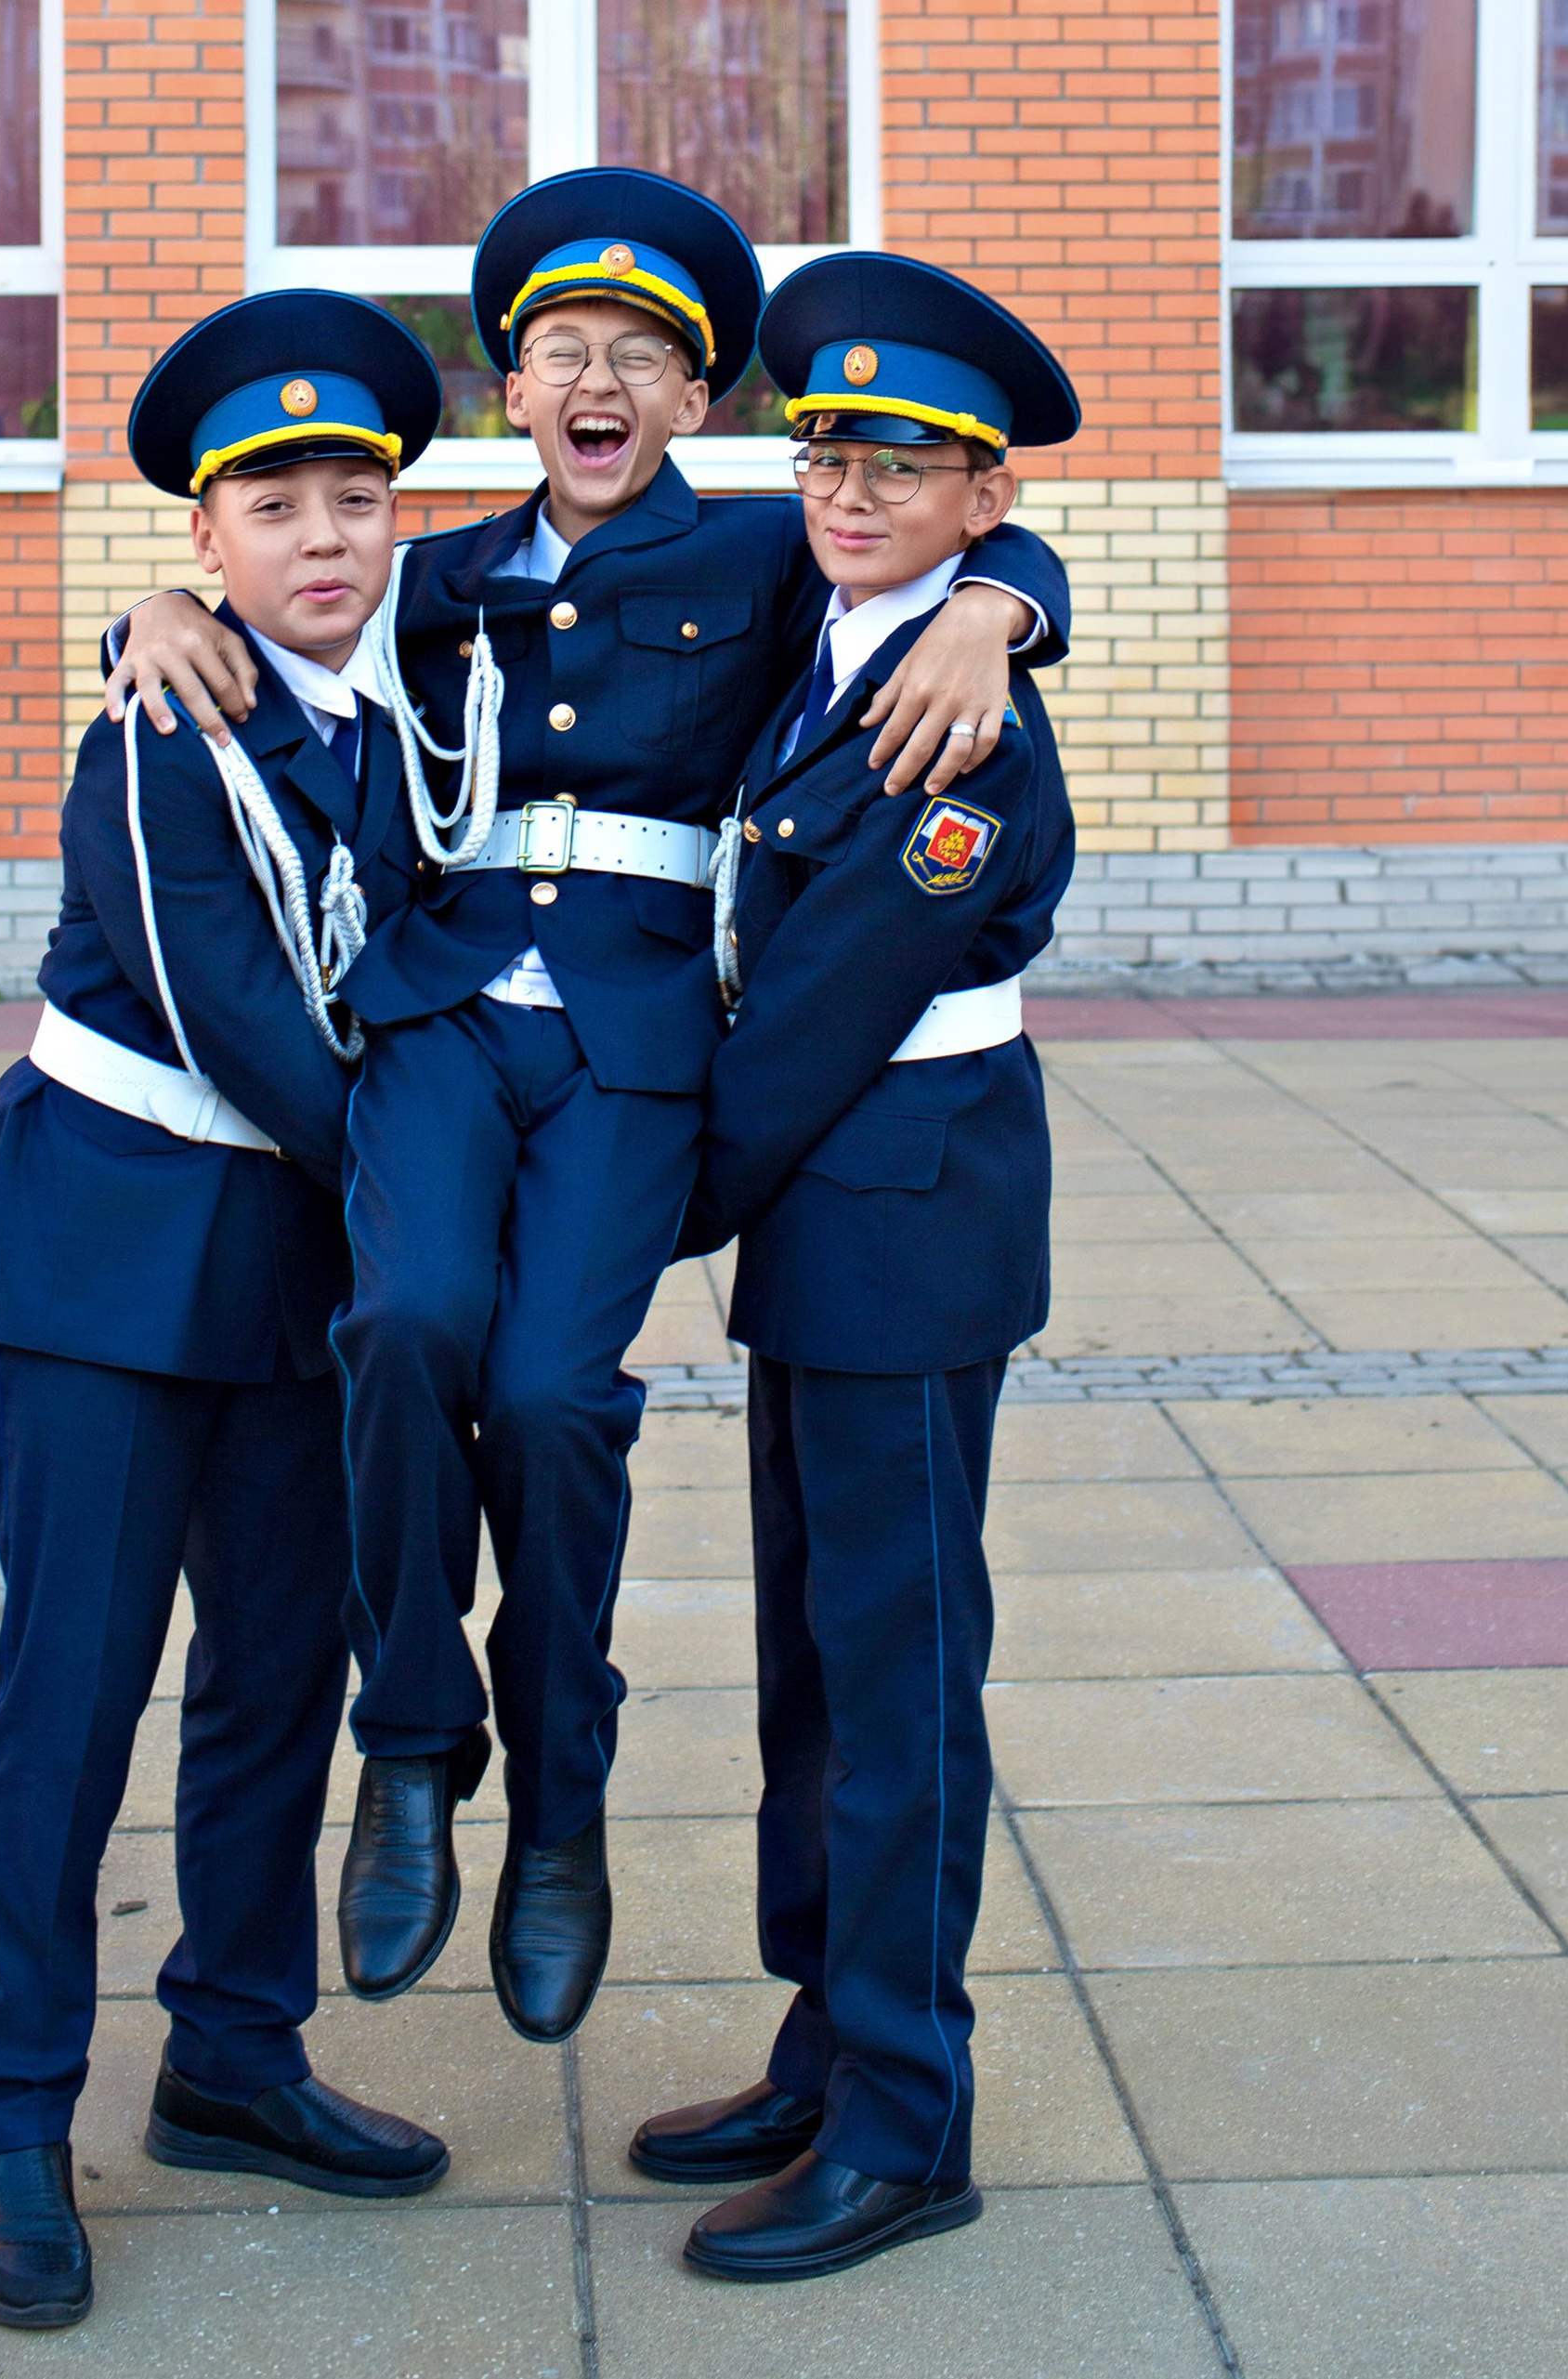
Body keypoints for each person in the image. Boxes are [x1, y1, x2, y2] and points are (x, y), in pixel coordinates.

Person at [100, 171, 1072, 2053]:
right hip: (447, 1015)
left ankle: (558, 1798)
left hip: (640, 1037)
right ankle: (410, 1746)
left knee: (552, 1393)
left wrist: (1005, 619)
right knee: (392, 1324)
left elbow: (941, 544)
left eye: (640, 355)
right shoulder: (438, 570)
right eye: (561, 354)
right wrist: (140, 607)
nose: (597, 379)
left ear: (695, 405)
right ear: (513, 394)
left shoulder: (773, 558)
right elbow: (264, 589)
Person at [0, 291, 452, 2331]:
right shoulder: (163, 726)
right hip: (117, 1258)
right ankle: (8, 2112)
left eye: (358, 498)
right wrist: (443, 1222)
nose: (323, 537)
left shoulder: (417, 700)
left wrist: (1000, 606)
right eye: (271, 507)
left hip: (300, 1277)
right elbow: (244, 1019)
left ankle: (233, 2057)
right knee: (69, 1692)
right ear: (206, 549)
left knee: (274, 1680)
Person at [628, 254, 1081, 2282]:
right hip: (835, 1223)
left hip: (895, 1214)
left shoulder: (957, 723)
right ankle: (826, 2046)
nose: (848, 489)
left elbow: (819, 1002)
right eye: (825, 449)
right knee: (815, 1670)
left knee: (896, 1685)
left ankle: (906, 2124)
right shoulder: (835, 622)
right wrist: (162, 606)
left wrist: (634, 1202)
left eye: (903, 466)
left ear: (976, 494)